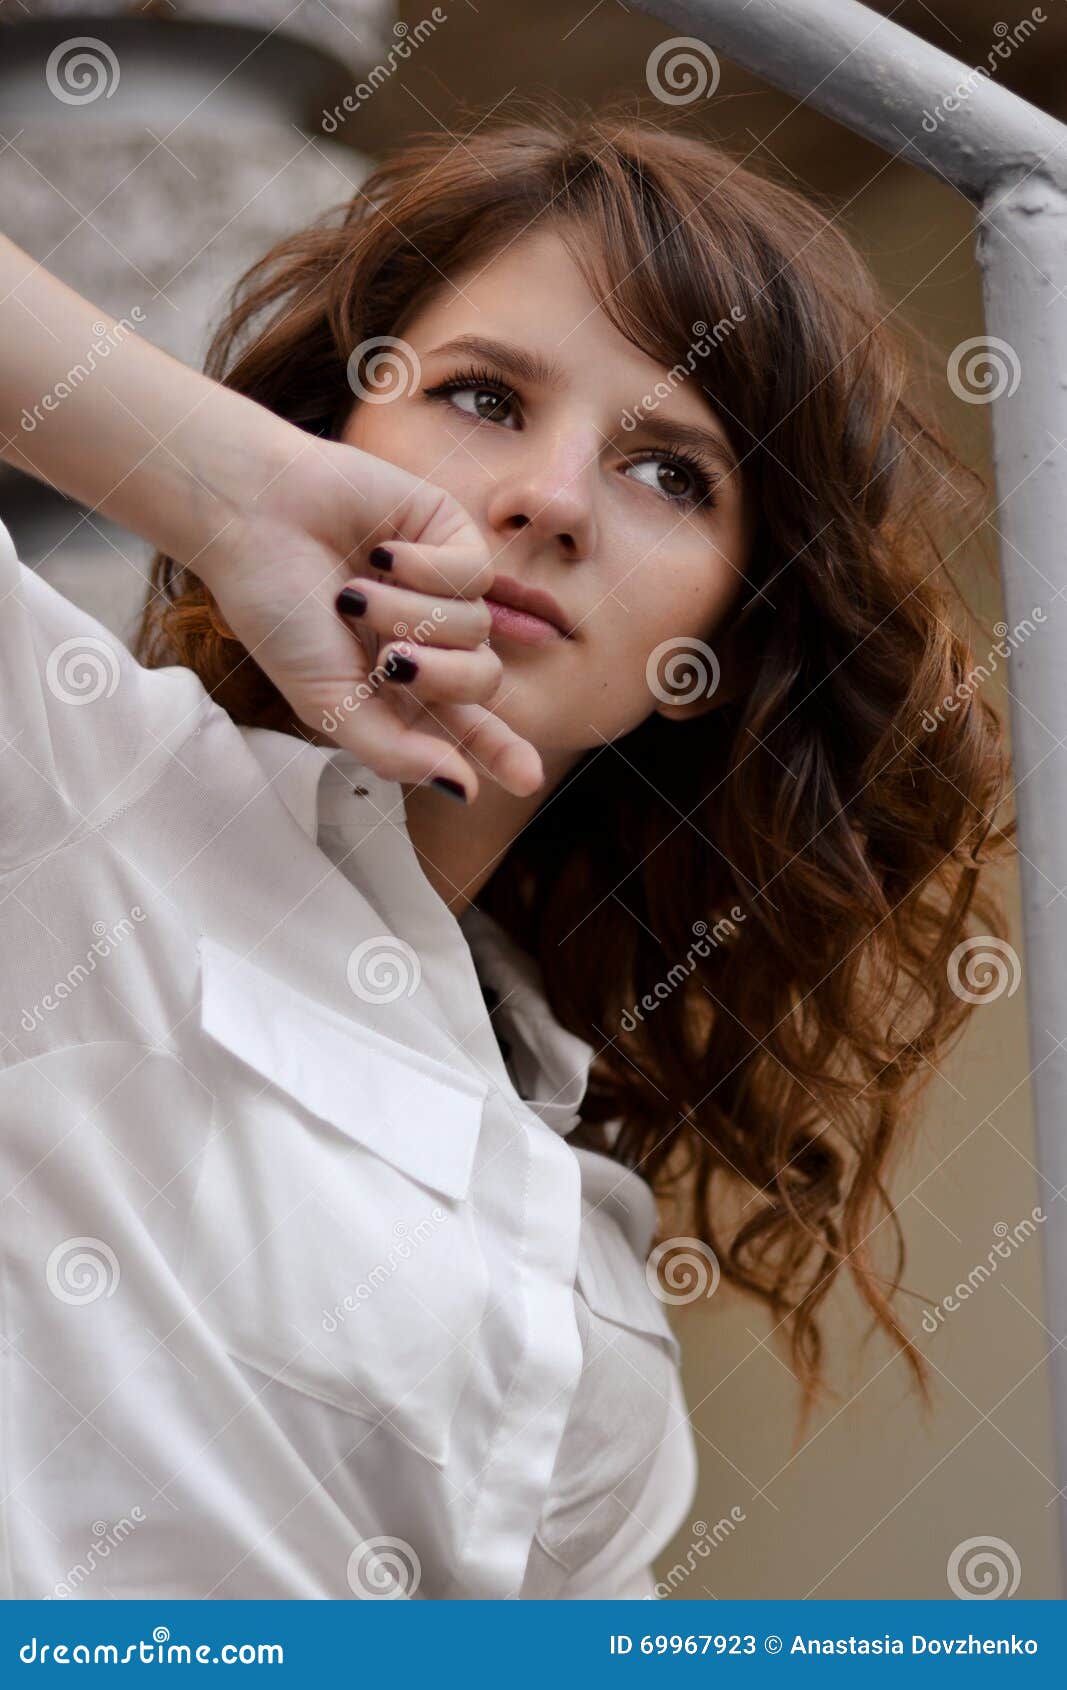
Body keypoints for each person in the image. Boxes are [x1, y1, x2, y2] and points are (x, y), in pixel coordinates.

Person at [0, 105, 1011, 1600]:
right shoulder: (71, 785)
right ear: (339, 425)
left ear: (722, 643)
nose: (550, 496)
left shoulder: (595, 1277)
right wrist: (230, 486)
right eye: (482, 398)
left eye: (671, 472)